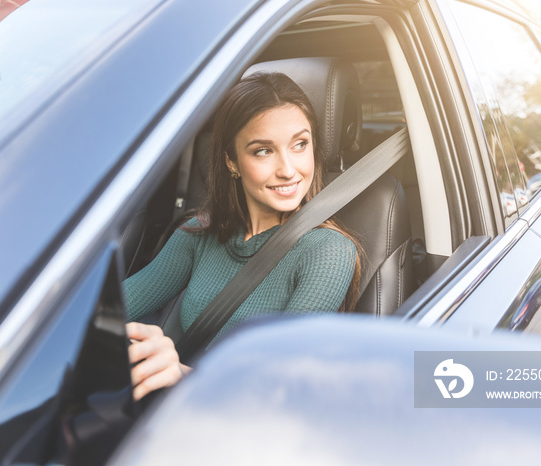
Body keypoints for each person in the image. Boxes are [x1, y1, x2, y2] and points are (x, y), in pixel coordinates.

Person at [123, 71, 362, 401]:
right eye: (263, 151)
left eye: (300, 144)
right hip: (171, 415)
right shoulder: (198, 234)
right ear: (231, 162)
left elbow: (278, 382)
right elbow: (118, 306)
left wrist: (178, 373)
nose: (288, 169)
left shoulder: (328, 252)